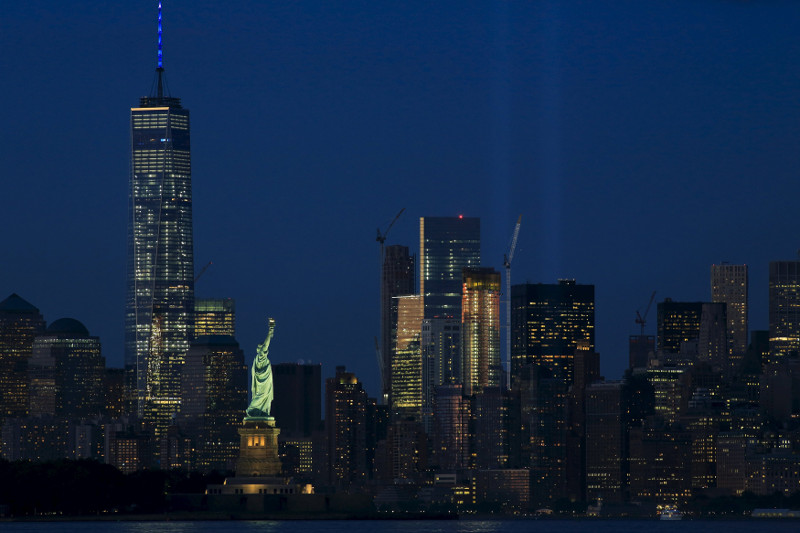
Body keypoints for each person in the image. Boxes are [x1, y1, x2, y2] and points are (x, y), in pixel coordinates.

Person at [245, 318, 275, 418]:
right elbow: (266, 345)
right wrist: (270, 331)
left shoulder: (260, 359)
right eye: (261, 348)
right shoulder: (261, 356)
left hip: (264, 381)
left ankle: (261, 412)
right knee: (261, 396)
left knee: (263, 396)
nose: (264, 349)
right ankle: (252, 409)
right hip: (262, 382)